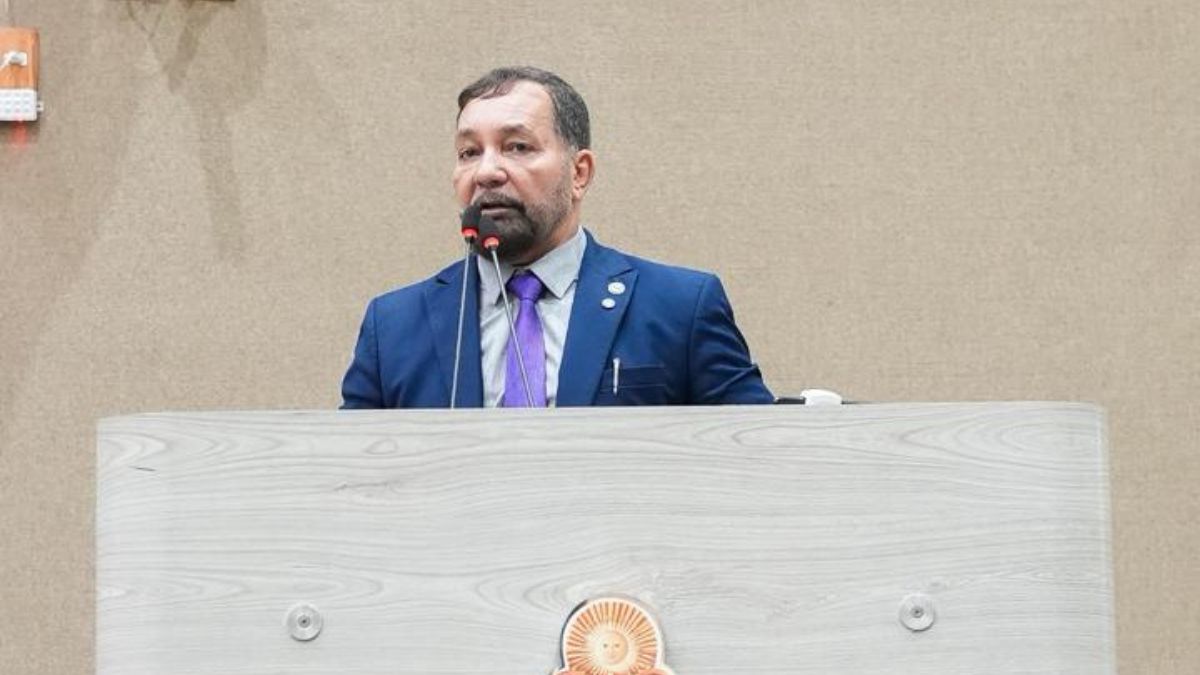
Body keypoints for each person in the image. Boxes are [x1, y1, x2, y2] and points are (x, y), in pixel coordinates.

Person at [341, 66, 772, 408]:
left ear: (578, 173)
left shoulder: (679, 307)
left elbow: (761, 454)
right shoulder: (394, 325)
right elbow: (347, 472)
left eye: (517, 147)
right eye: (469, 152)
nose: (486, 172)